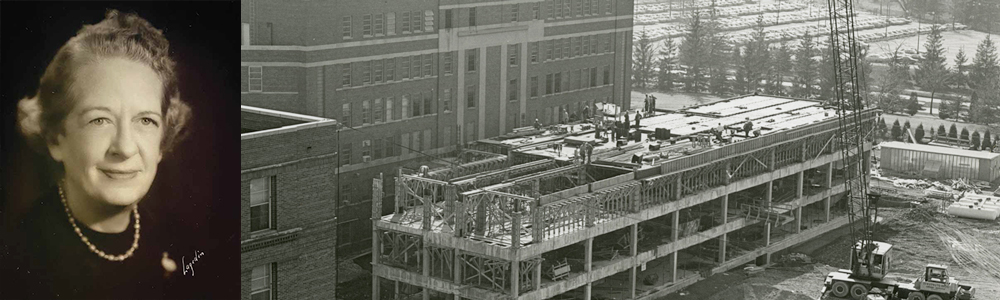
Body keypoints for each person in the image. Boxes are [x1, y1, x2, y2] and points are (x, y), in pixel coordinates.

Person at [3, 10, 193, 299]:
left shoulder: (175, 236)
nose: (125, 147)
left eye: (145, 121)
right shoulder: (18, 261)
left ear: (162, 141)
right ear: (55, 137)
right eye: (99, 120)